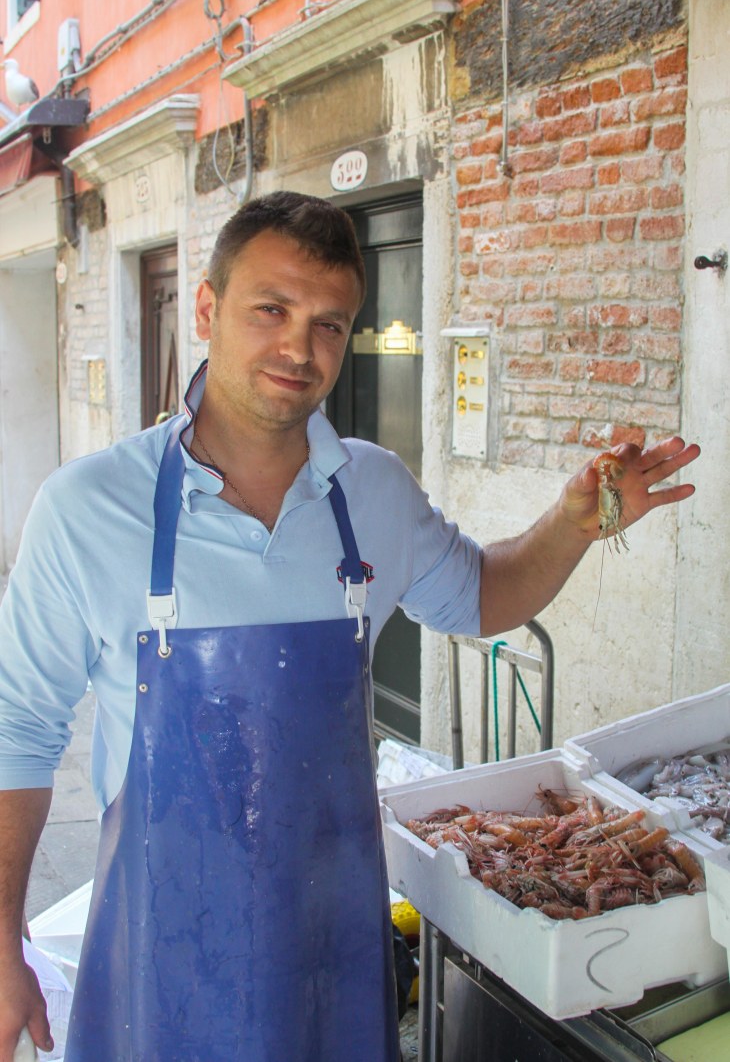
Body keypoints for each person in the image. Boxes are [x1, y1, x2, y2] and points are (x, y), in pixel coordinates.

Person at [0, 191, 699, 1062]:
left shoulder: (371, 490)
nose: (300, 347)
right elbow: (18, 730)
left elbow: (483, 596)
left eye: (330, 324)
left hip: (331, 959)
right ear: (209, 309)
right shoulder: (88, 506)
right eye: (272, 310)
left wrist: (575, 522)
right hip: (157, 959)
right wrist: (3, 941)